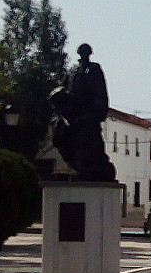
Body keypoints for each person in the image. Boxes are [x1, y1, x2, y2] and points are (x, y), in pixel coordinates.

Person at [49, 43, 116, 182]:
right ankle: (78, 167)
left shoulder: (94, 69)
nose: (83, 54)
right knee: (62, 138)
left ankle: (94, 169)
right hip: (72, 117)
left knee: (89, 146)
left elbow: (100, 92)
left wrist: (96, 112)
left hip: (88, 116)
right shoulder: (72, 71)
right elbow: (62, 89)